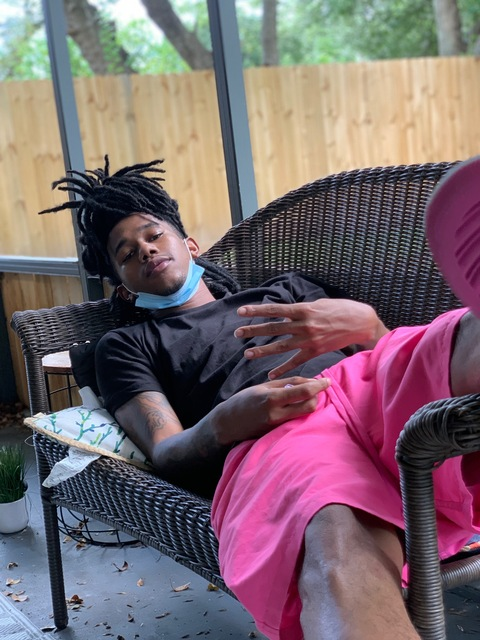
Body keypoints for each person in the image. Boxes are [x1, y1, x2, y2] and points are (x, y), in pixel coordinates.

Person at [40, 154, 480, 640]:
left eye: (153, 235)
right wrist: (227, 421)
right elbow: (165, 451)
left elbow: (393, 362)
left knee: (455, 339)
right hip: (285, 436)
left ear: (190, 245)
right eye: (126, 254)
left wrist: (370, 326)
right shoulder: (126, 346)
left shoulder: (285, 290)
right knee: (335, 539)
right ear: (123, 289)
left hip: (365, 387)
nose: (144, 250)